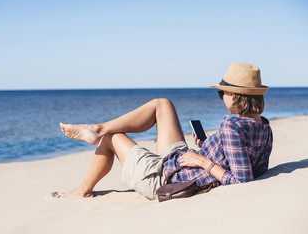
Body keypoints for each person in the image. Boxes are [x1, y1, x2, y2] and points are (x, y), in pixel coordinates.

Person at [53, 63, 273, 200]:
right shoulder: (264, 127)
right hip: (179, 163)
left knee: (111, 138)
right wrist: (208, 146)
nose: (222, 97)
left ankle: (84, 187)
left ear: (233, 95)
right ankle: (97, 129)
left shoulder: (231, 126)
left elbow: (243, 181)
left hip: (164, 178)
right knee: (163, 104)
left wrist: (204, 162)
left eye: (222, 93)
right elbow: (258, 168)